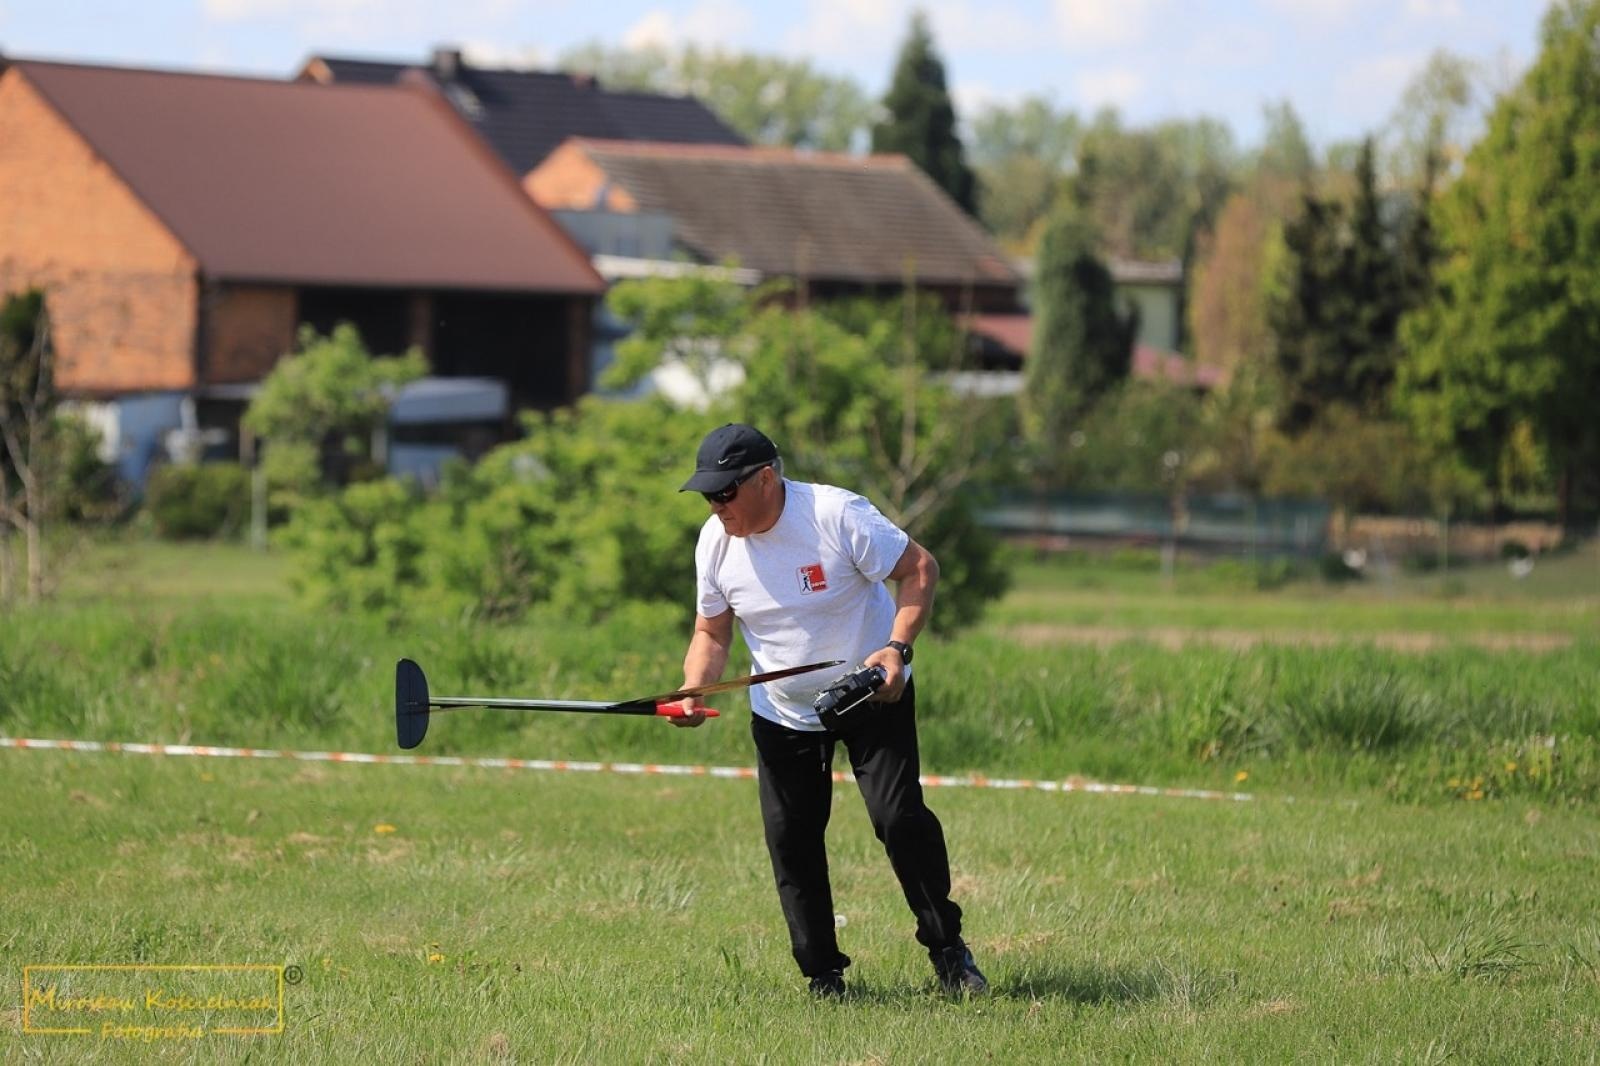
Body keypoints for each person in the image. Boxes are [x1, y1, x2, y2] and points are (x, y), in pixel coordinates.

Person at [671, 423, 987, 999]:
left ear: (764, 479)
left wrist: (896, 648)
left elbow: (919, 570)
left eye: (725, 493)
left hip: (870, 695)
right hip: (783, 713)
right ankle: (823, 975)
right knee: (790, 837)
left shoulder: (836, 516)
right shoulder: (714, 544)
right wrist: (695, 689)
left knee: (898, 819)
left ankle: (949, 950)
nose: (717, 507)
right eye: (708, 496)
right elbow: (711, 632)